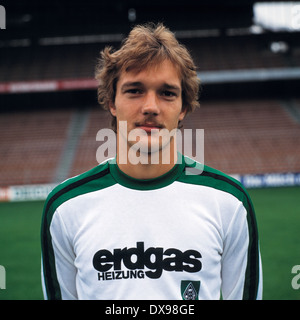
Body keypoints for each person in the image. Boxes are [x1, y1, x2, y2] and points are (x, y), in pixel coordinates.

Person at [41, 23, 262, 300]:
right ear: (112, 101)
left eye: (167, 93)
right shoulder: (65, 207)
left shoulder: (230, 202)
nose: (150, 107)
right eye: (134, 90)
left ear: (183, 108)